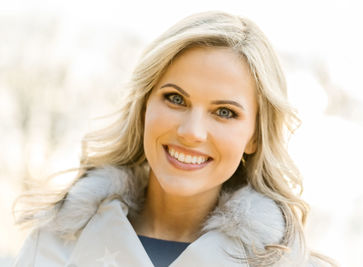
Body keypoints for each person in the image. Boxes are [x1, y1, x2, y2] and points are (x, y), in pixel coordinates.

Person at [13, 11, 335, 267]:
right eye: (176, 99)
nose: (191, 132)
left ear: (254, 137)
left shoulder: (286, 263)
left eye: (224, 112)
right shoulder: (53, 245)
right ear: (144, 107)